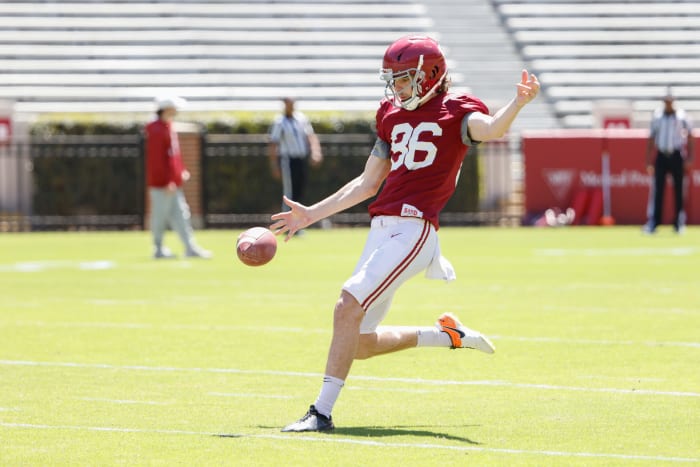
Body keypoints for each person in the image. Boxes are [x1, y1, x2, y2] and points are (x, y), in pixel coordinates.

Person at [270, 35, 539, 432]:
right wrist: (311, 214)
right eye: (392, 79)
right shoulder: (391, 115)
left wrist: (516, 104)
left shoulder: (456, 110)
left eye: (403, 78)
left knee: (347, 304)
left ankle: (321, 413)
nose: (396, 87)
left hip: (414, 230)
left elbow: (491, 129)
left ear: (430, 75)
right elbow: (365, 184)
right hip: (381, 231)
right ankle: (445, 336)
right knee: (357, 343)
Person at [144, 96, 211, 259]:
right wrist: (167, 181)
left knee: (181, 215)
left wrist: (179, 171)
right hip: (163, 184)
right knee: (160, 217)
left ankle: (190, 247)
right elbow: (158, 160)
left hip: (172, 183)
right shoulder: (156, 130)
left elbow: (172, 155)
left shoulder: (167, 127)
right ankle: (158, 248)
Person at [643, 88, 694, 234]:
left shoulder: (681, 116)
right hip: (661, 155)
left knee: (679, 190)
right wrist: (648, 160)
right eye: (666, 101)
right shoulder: (657, 117)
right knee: (658, 189)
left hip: (677, 154)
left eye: (670, 101)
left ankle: (678, 222)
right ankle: (654, 221)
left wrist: (690, 156)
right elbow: (651, 139)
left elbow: (690, 137)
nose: (668, 104)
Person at [268, 97, 323, 213]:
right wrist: (274, 165)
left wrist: (315, 152)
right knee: (289, 191)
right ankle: (287, 220)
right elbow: (273, 143)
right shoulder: (280, 122)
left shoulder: (301, 119)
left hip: (301, 159)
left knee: (300, 189)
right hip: (288, 160)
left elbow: (310, 136)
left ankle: (298, 220)